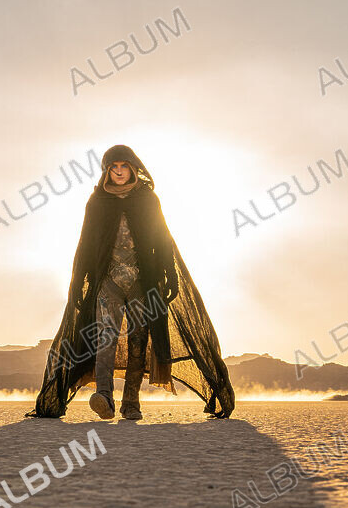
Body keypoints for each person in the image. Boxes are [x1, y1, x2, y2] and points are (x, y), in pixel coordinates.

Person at [25, 145, 235, 421]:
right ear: (106, 171)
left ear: (134, 168)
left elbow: (162, 239)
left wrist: (169, 274)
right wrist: (78, 281)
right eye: (114, 167)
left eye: (124, 166)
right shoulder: (97, 202)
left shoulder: (147, 200)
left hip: (142, 281)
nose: (119, 171)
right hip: (107, 280)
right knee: (106, 337)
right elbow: (86, 244)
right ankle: (104, 397)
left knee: (138, 341)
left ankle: (131, 402)